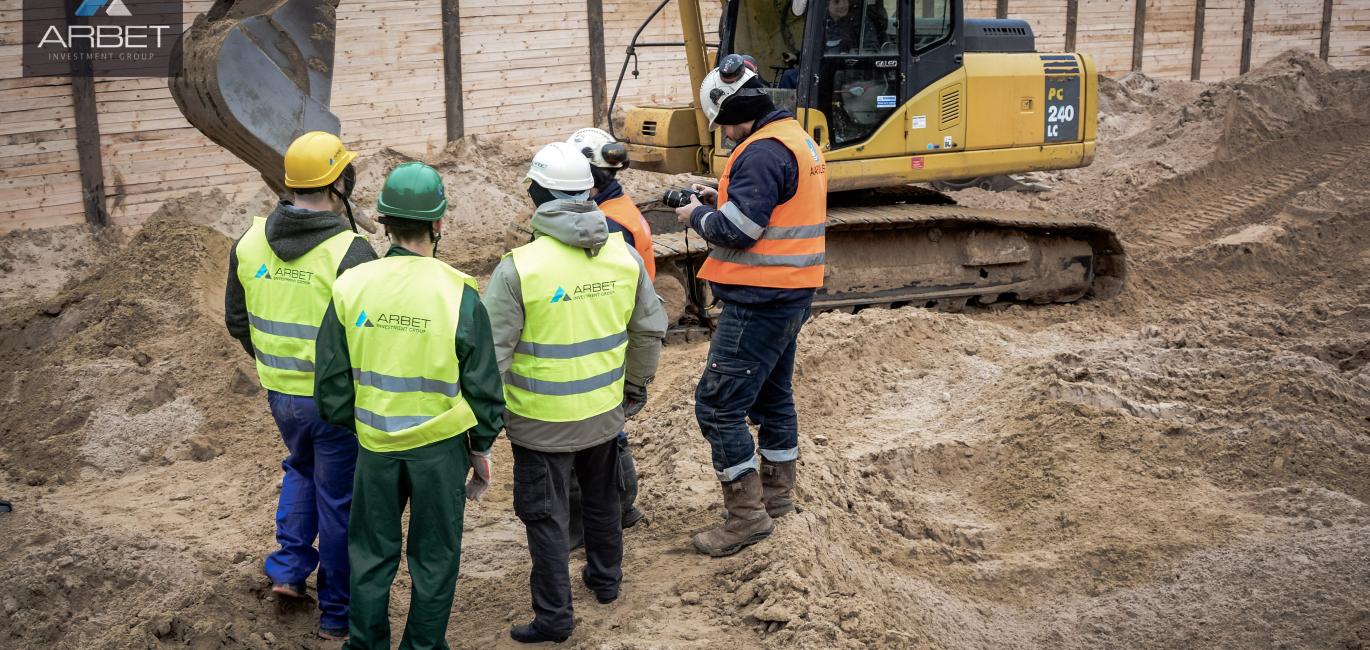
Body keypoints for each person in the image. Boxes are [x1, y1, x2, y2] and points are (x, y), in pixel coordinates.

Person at [312, 162, 505, 648]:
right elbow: (483, 387)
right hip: (439, 449)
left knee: (371, 554)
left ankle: (366, 644)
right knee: (435, 557)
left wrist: (357, 423)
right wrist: (479, 445)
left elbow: (331, 384)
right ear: (439, 224)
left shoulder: (351, 286)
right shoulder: (458, 293)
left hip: (374, 445)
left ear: (383, 222)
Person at [484, 141, 666, 643]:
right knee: (603, 500)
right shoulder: (622, 253)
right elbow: (649, 329)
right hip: (604, 414)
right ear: (588, 190)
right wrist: (634, 386)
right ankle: (606, 582)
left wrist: (484, 421)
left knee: (546, 517)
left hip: (539, 425)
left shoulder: (518, 268)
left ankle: (554, 619)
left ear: (536, 194)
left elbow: (491, 356)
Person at [673, 54, 828, 557]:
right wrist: (717, 196)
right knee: (773, 398)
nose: (725, 134)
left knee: (718, 407)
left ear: (733, 109)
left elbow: (739, 231)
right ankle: (778, 500)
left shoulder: (761, 151)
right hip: (790, 294)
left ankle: (746, 517)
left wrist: (698, 214)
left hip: (759, 300)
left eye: (724, 124)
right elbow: (768, 209)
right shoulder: (794, 138)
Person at [224, 130, 376, 640]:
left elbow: (237, 320)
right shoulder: (350, 251)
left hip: (281, 396)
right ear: (340, 182)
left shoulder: (248, 241)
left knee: (301, 468)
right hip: (334, 403)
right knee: (340, 500)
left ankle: (289, 570)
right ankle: (337, 612)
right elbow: (370, 333)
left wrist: (275, 366)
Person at [564, 127, 651, 550]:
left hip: (607, 336)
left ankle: (605, 513)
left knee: (602, 432)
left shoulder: (609, 222)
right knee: (609, 430)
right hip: (620, 331)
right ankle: (623, 506)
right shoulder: (617, 206)